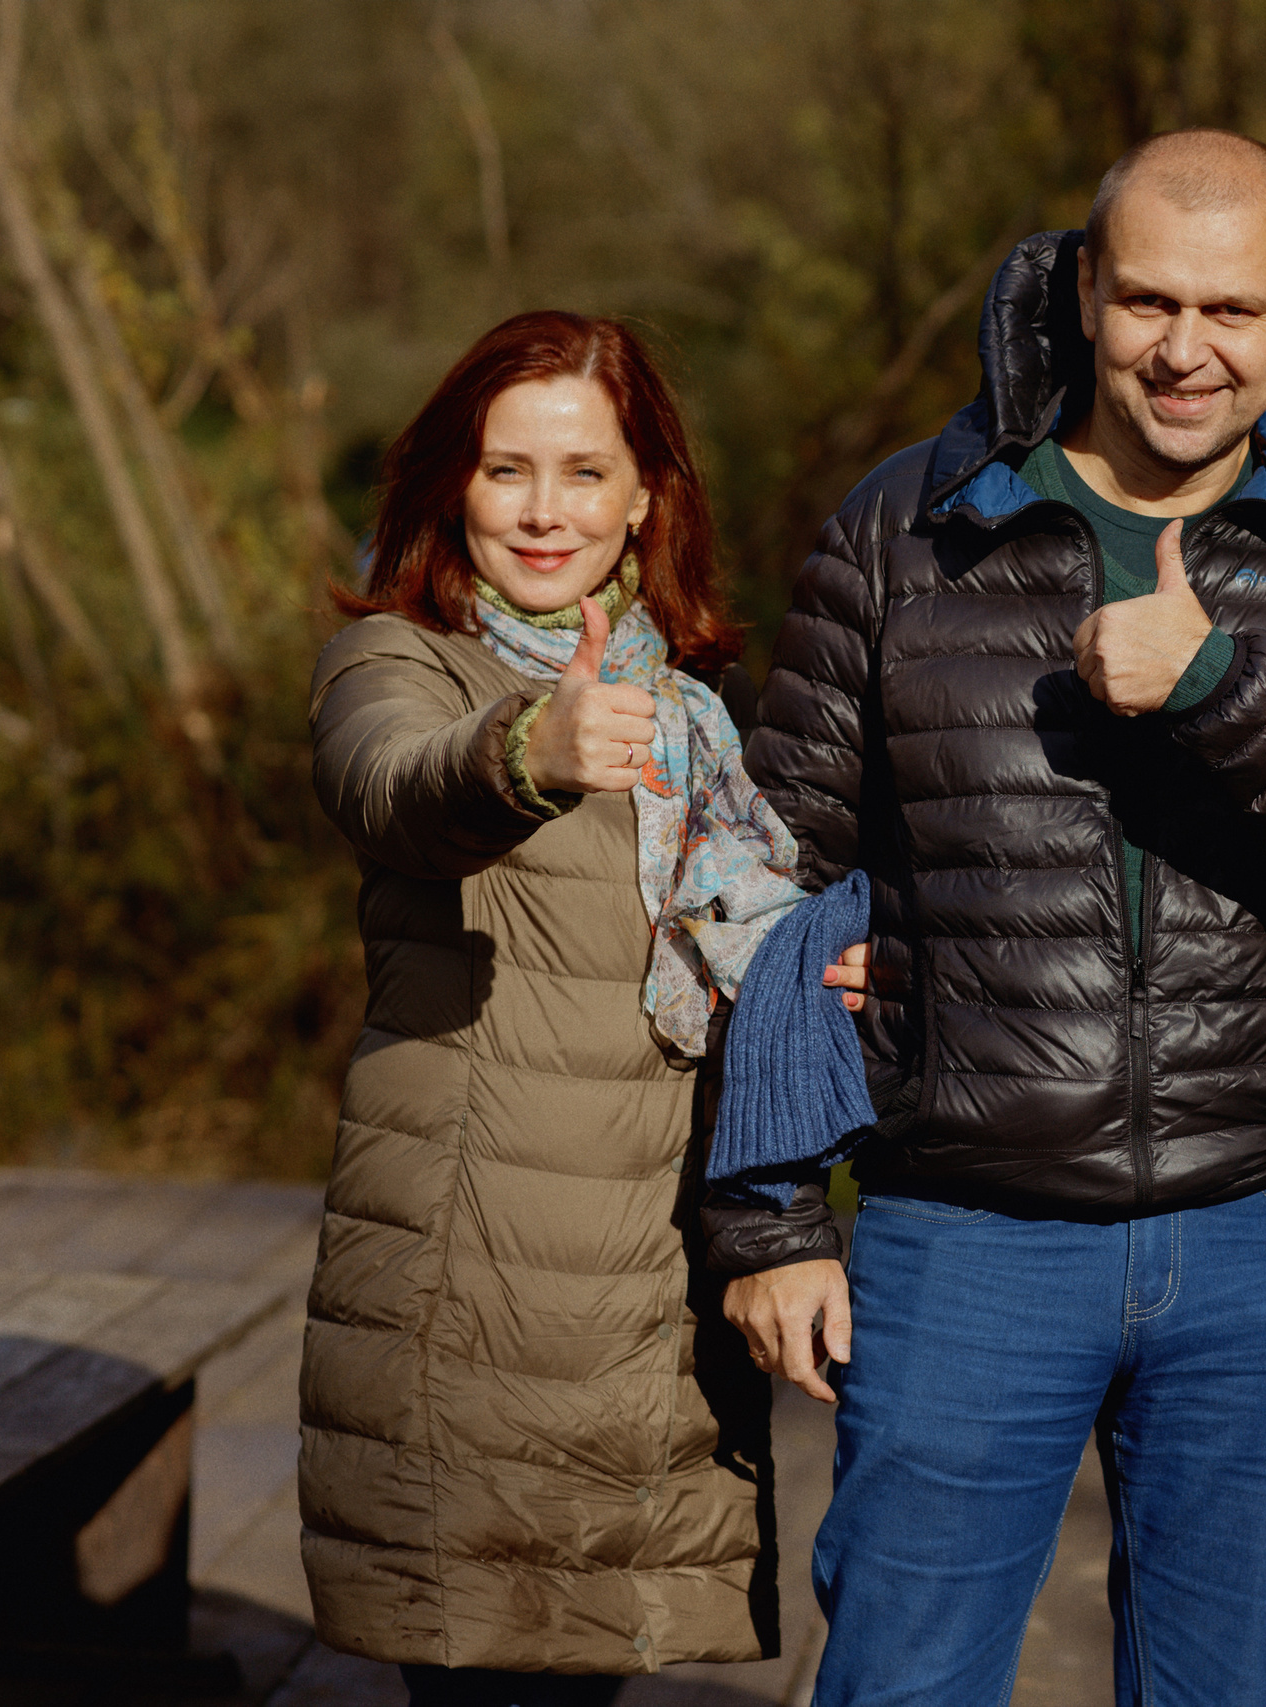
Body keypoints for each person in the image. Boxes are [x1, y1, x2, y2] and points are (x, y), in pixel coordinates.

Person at [724, 129, 1266, 1704]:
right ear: (1083, 290)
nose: (1186, 351)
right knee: (899, 1687)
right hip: (965, 1233)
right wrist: (768, 1216)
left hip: (1259, 1231)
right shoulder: (905, 527)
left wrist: (1226, 688)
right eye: (1148, 302)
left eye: (1232, 309)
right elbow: (761, 881)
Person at [303, 311, 814, 1706]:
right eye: (505, 469)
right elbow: (392, 787)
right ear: (451, 486)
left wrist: (820, 968)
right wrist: (530, 748)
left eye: (584, 472)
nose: (544, 512)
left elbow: (743, 944)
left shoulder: (696, 709)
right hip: (476, 1296)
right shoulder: (397, 664)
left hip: (653, 1293)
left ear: (645, 495)